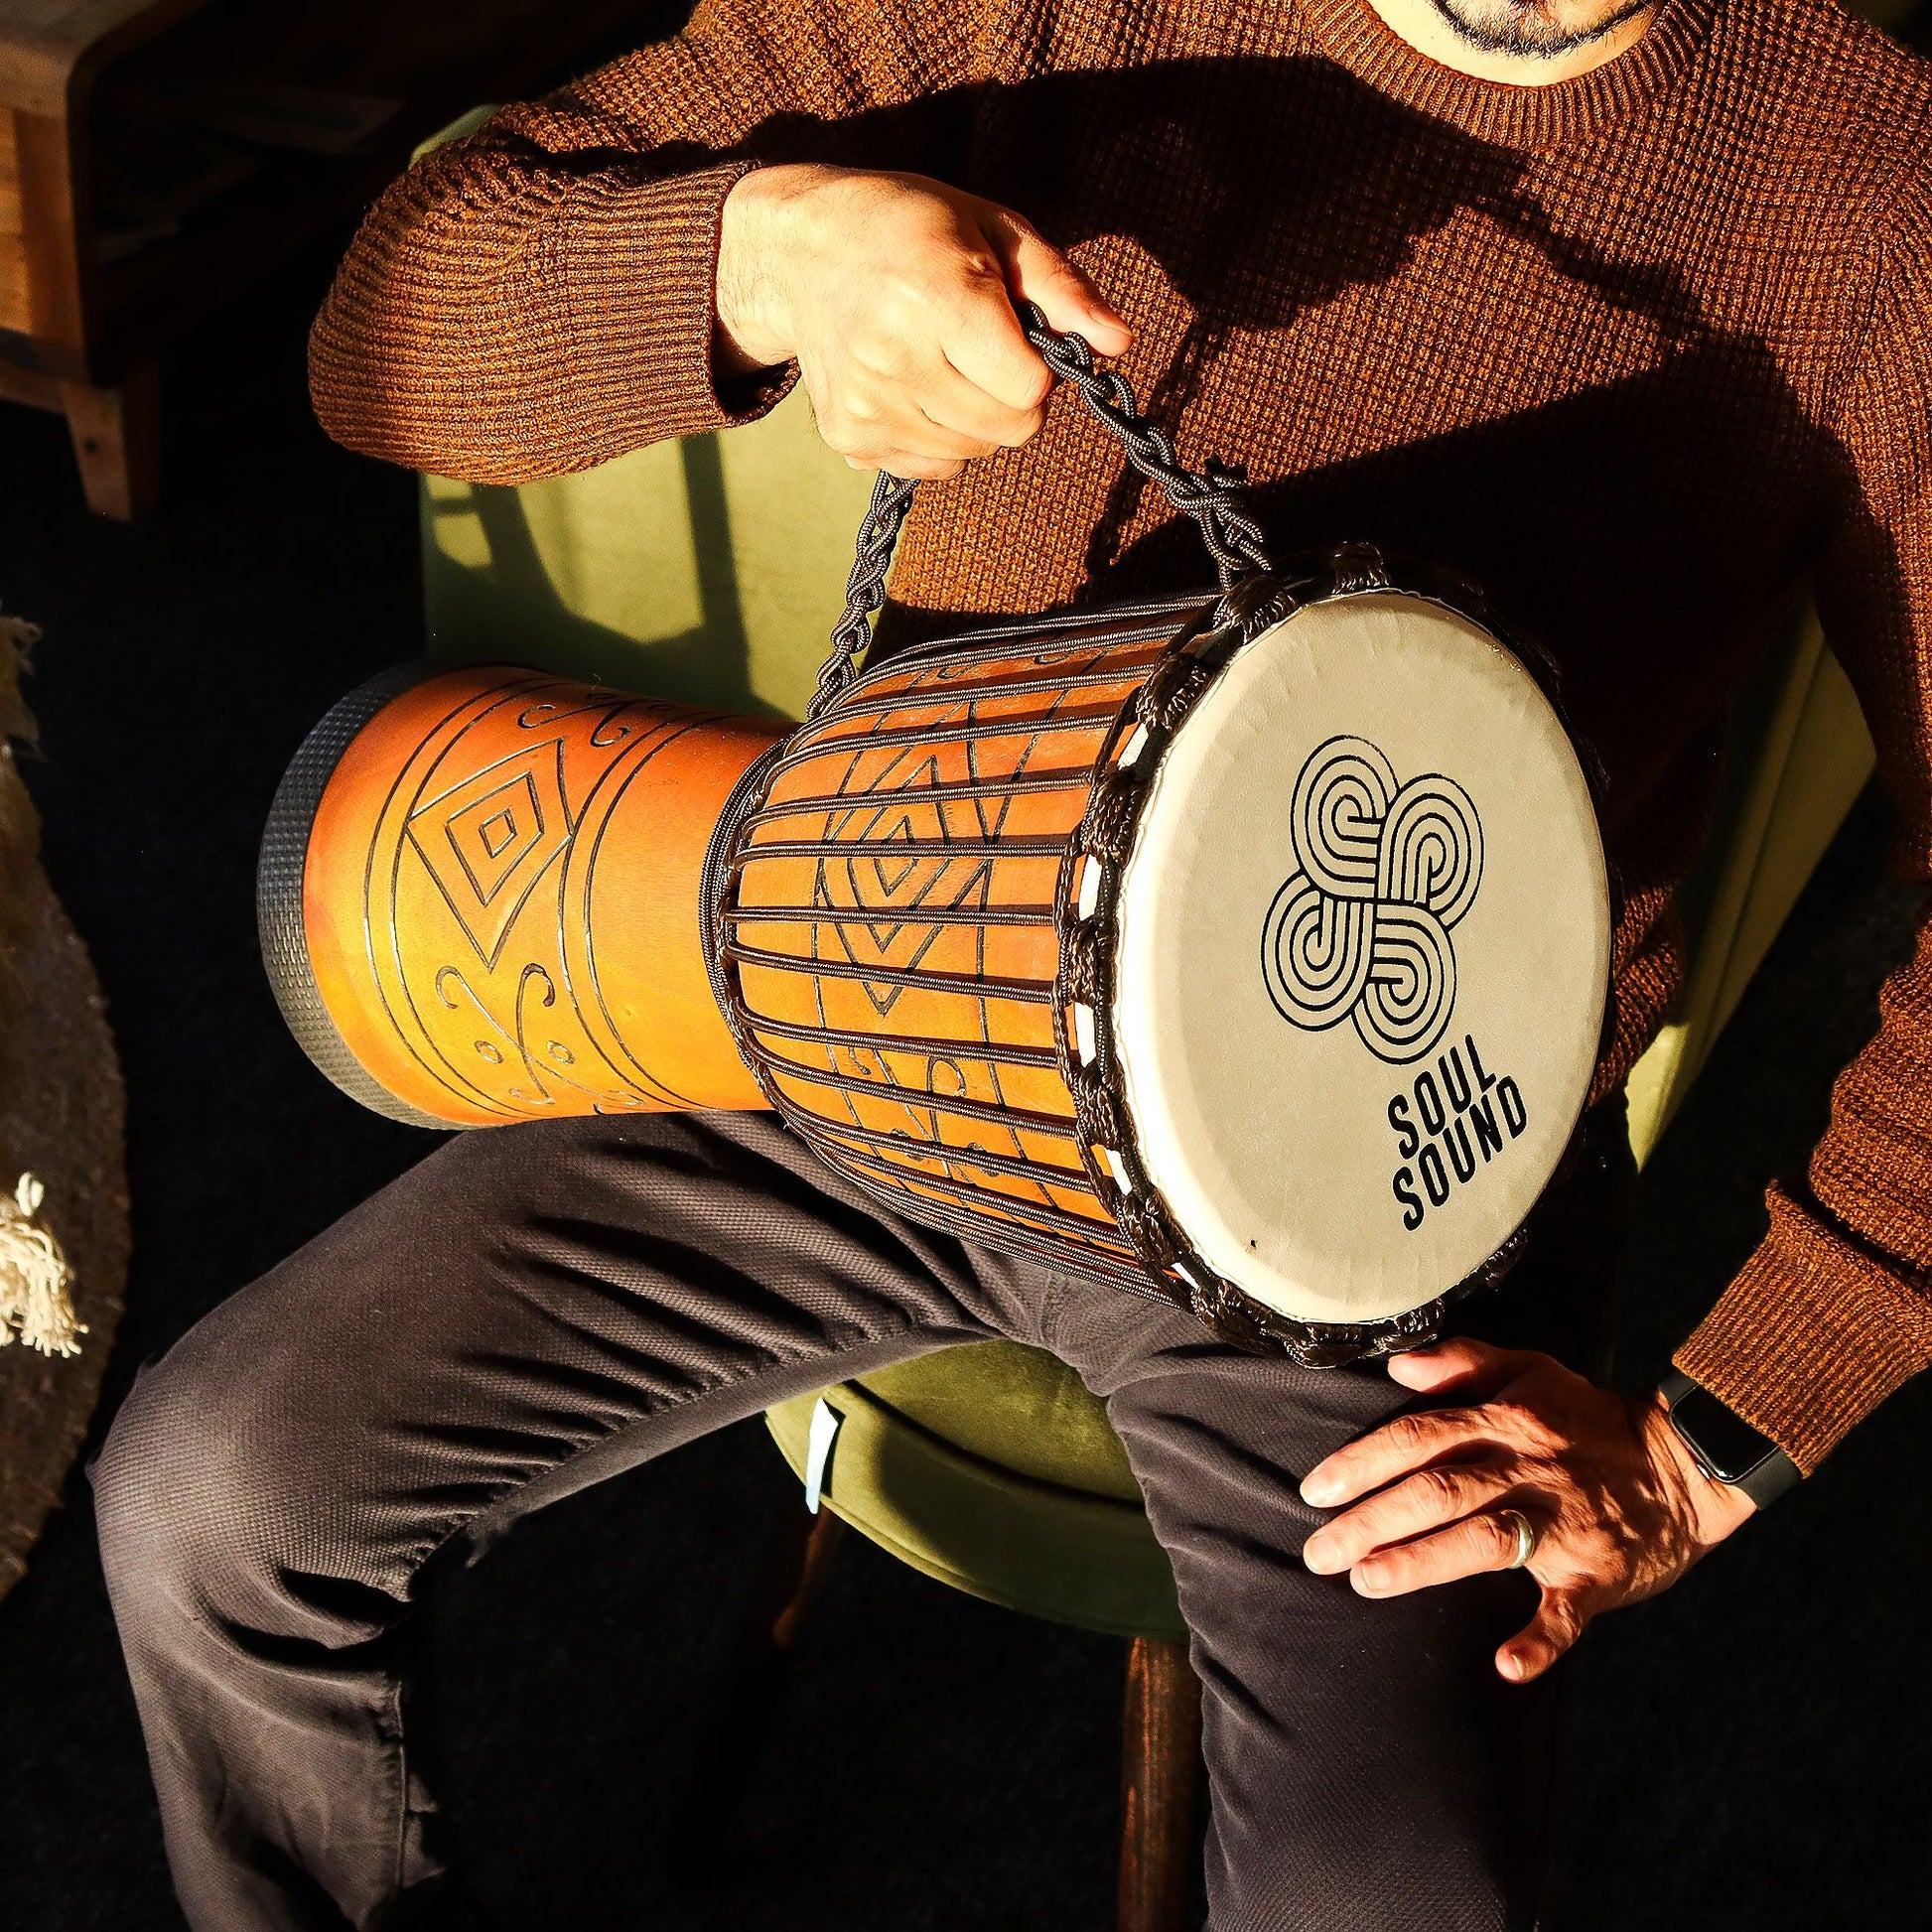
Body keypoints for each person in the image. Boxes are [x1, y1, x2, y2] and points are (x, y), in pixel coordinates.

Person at [93, 0, 1932, 1923]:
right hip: (885, 979)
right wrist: (765, 257)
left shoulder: (1870, 175)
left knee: (1395, 1896)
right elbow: (382, 328)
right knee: (215, 1497)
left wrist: (1711, 1443)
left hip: (1380, 1181)